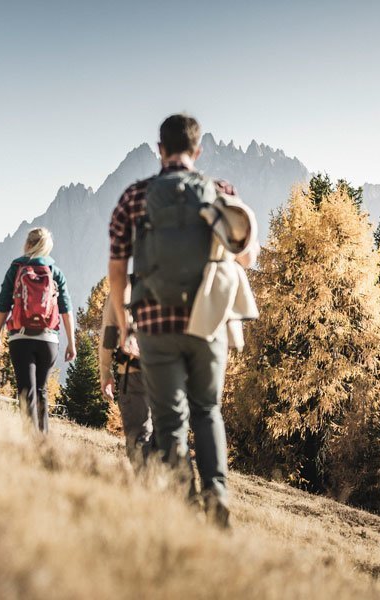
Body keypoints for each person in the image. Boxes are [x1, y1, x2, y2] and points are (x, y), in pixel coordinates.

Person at [107, 113, 257, 528]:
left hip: (154, 325)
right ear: (197, 150)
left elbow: (117, 271)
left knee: (170, 419)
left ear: (160, 149)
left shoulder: (134, 198)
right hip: (207, 321)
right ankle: (218, 496)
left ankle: (184, 506)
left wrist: (124, 325)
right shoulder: (220, 192)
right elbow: (246, 257)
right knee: (207, 409)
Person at [0, 227, 76, 434]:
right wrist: (72, 343)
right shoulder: (55, 271)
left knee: (26, 392)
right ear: (47, 247)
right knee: (41, 390)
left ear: (27, 245)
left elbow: (3, 305)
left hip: (21, 337)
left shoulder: (17, 267)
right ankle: (44, 443)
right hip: (49, 340)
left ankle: (31, 443)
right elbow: (66, 310)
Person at [99, 284, 153, 468]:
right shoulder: (178, 282)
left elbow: (109, 332)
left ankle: (145, 488)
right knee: (169, 437)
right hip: (170, 374)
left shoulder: (124, 286)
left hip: (134, 372)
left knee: (139, 439)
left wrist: (106, 370)